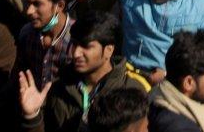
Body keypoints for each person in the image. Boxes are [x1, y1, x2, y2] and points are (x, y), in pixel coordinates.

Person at [16, 12, 149, 132]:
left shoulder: (133, 90)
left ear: (109, 49)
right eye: (74, 44)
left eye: (86, 46)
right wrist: (32, 116)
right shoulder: (59, 87)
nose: (76, 53)